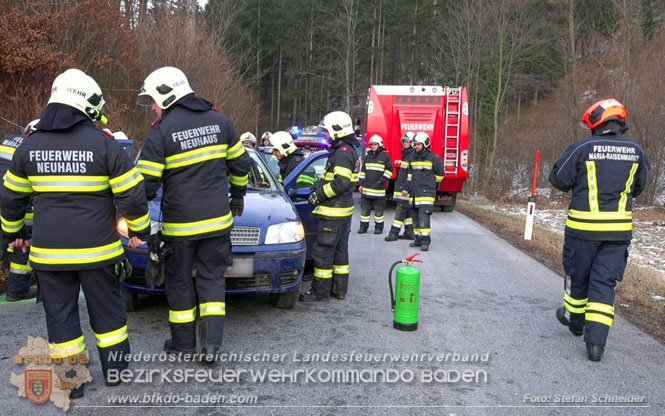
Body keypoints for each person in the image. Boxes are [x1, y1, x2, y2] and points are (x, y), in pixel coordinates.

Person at [1, 68, 150, 396]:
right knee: (107, 311)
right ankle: (116, 372)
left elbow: (11, 200)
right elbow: (132, 195)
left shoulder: (28, 148)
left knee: (61, 317)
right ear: (86, 103)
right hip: (99, 253)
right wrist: (139, 231)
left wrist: (13, 234)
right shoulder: (105, 146)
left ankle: (73, 382)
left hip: (49, 256)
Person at [136, 66, 250, 360]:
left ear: (167, 94)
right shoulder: (221, 122)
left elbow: (145, 186)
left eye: (153, 100)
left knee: (179, 283)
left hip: (180, 229)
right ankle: (211, 348)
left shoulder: (161, 133)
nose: (152, 107)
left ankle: (184, 344)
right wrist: (237, 196)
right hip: (217, 225)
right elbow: (240, 166)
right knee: (212, 280)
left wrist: (135, 220)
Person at [549, 98, 648, 362]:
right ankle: (595, 345)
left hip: (582, 230)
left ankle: (575, 321)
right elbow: (639, 187)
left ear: (596, 121)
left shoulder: (583, 147)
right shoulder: (636, 151)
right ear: (620, 122)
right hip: (617, 234)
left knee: (578, 276)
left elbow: (558, 179)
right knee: (604, 284)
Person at [300, 111, 359, 301]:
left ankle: (319, 292)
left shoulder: (342, 154)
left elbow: (340, 183)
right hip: (342, 212)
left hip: (332, 213)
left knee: (323, 252)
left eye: (327, 132)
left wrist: (318, 194)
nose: (325, 135)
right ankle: (339, 290)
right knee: (340, 254)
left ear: (337, 131)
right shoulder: (348, 151)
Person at [0, 120, 39, 301]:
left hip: (5, 198)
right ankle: (17, 290)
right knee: (23, 243)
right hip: (11, 202)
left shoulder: (8, 140)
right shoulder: (33, 148)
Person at [406, 132, 445, 251]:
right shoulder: (412, 157)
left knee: (424, 218)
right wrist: (408, 188)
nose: (416, 146)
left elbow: (440, 174)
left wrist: (432, 185)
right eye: (415, 144)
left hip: (426, 194)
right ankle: (418, 239)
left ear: (425, 144)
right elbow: (410, 174)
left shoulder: (433, 158)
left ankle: (425, 242)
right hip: (414, 194)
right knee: (415, 218)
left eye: (418, 144)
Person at [357, 134, 393, 235]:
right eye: (372, 144)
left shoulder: (385, 157)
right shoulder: (368, 157)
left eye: (375, 144)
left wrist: (382, 179)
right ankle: (363, 227)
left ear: (380, 145)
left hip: (379, 191)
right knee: (364, 212)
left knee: (379, 212)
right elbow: (363, 171)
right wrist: (360, 184)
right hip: (367, 191)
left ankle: (379, 228)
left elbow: (390, 170)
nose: (373, 146)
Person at [385, 132, 416, 241]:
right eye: (404, 141)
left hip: (405, 190)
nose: (404, 143)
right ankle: (409, 232)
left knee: (400, 210)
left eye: (407, 141)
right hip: (403, 188)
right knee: (406, 210)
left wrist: (406, 188)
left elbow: (411, 175)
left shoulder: (411, 156)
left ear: (413, 143)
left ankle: (393, 233)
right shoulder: (407, 155)